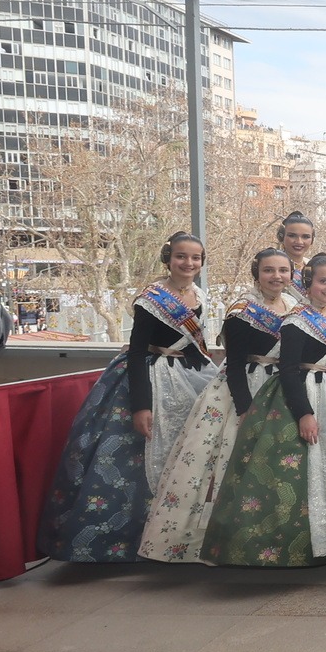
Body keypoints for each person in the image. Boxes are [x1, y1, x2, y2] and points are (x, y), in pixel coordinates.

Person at [40, 233, 217, 562]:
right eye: (181, 256)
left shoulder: (200, 294)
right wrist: (141, 406)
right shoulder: (151, 299)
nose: (188, 263)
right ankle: (131, 541)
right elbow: (136, 353)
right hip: (151, 380)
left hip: (190, 378)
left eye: (195, 257)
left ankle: (180, 537)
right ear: (168, 258)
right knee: (139, 461)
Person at [203, 254, 326, 566]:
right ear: (308, 283)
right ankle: (314, 541)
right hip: (310, 397)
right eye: (323, 281)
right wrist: (304, 413)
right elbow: (287, 370)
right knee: (313, 469)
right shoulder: (296, 321)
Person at [141, 246, 299, 562]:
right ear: (257, 273)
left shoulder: (296, 308)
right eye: (269, 270)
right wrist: (246, 409)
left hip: (281, 390)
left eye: (283, 270)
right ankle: (215, 541)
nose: (276, 276)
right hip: (244, 391)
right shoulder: (242, 310)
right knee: (227, 461)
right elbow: (235, 365)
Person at [278, 211, 315, 298]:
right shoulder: (272, 266)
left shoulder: (314, 267)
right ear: (281, 237)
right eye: (292, 235)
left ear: (312, 240)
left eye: (305, 237)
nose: (299, 241)